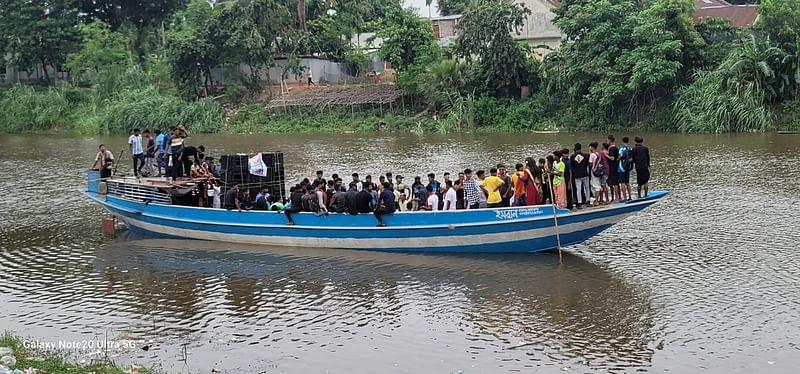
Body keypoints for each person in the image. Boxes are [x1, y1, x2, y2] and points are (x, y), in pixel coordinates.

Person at [571, 143, 590, 208]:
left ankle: (579, 203)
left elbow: (572, 167)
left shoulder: (572, 156)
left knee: (578, 189)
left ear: (575, 148)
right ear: (581, 148)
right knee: (587, 188)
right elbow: (588, 165)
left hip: (577, 175)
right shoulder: (586, 155)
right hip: (585, 174)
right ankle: (588, 201)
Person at [618, 136, 633, 201]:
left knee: (622, 182)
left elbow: (620, 155)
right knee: (627, 182)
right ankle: (630, 196)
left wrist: (617, 159)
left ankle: (625, 197)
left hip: (622, 167)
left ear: (622, 141)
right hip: (628, 167)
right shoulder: (630, 148)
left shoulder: (621, 148)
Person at [606, 135, 621, 203]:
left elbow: (612, 158)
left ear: (610, 140)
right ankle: (619, 197)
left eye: (607, 140)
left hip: (613, 168)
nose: (607, 141)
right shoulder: (616, 148)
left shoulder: (612, 149)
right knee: (617, 183)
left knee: (614, 183)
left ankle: (617, 198)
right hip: (616, 166)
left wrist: (606, 155)